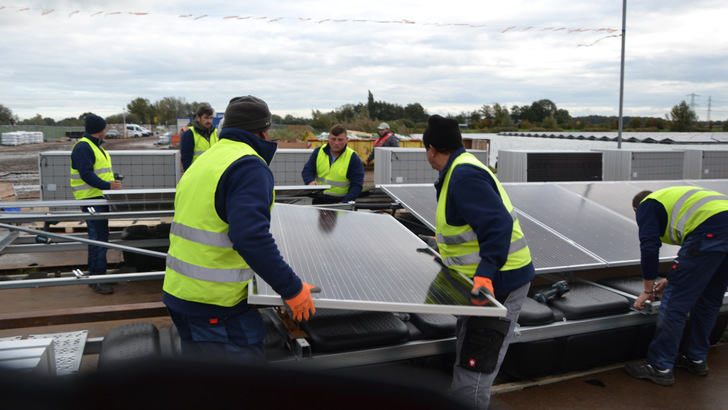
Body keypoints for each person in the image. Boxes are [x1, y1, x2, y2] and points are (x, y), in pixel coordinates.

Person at [163, 95, 318, 363]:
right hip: (216, 306)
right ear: (263, 131)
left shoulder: (206, 160)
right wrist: (292, 288)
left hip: (181, 294)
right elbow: (250, 237)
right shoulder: (248, 165)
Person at [423, 114, 534, 409]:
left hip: (498, 284)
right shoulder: (461, 168)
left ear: (432, 149)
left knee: (474, 371)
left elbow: (497, 224)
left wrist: (485, 274)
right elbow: (469, 228)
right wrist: (439, 247)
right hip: (483, 282)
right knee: (467, 357)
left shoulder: (463, 175)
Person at [625, 187, 728, 386]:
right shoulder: (673, 200)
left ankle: (660, 367)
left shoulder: (647, 206)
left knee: (674, 303)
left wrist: (648, 290)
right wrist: (670, 279)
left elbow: (649, 246)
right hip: (718, 231)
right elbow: (696, 263)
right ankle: (696, 359)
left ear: (636, 210)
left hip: (709, 233)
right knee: (709, 300)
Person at [70, 115, 123, 294]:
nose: (106, 131)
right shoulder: (83, 147)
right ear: (100, 130)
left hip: (98, 198)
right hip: (90, 199)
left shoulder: (94, 147)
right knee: (98, 239)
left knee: (101, 238)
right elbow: (86, 174)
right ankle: (97, 278)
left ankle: (100, 275)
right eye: (105, 128)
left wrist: (111, 183)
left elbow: (97, 173)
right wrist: (108, 185)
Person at [301, 124, 364, 204]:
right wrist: (310, 181)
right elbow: (307, 170)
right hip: (319, 199)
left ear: (346, 139)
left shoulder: (353, 158)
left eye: (340, 140)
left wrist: (344, 202)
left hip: (340, 202)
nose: (336, 143)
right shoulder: (318, 152)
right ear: (328, 138)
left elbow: (357, 185)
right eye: (333, 139)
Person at [180, 104, 218, 171]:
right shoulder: (189, 134)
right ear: (198, 118)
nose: (209, 121)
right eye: (206, 118)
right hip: (196, 174)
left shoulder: (217, 133)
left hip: (213, 174)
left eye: (211, 118)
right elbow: (186, 160)